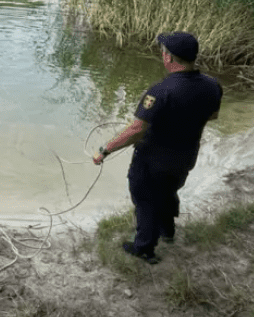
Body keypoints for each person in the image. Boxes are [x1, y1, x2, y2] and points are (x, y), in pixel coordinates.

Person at [93, 32, 222, 264]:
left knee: (144, 199)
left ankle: (144, 248)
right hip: (186, 157)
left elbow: (136, 130)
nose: (162, 55)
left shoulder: (160, 91)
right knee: (168, 191)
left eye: (163, 52)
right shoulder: (212, 86)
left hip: (153, 160)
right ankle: (167, 231)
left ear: (169, 59)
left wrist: (105, 150)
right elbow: (212, 116)